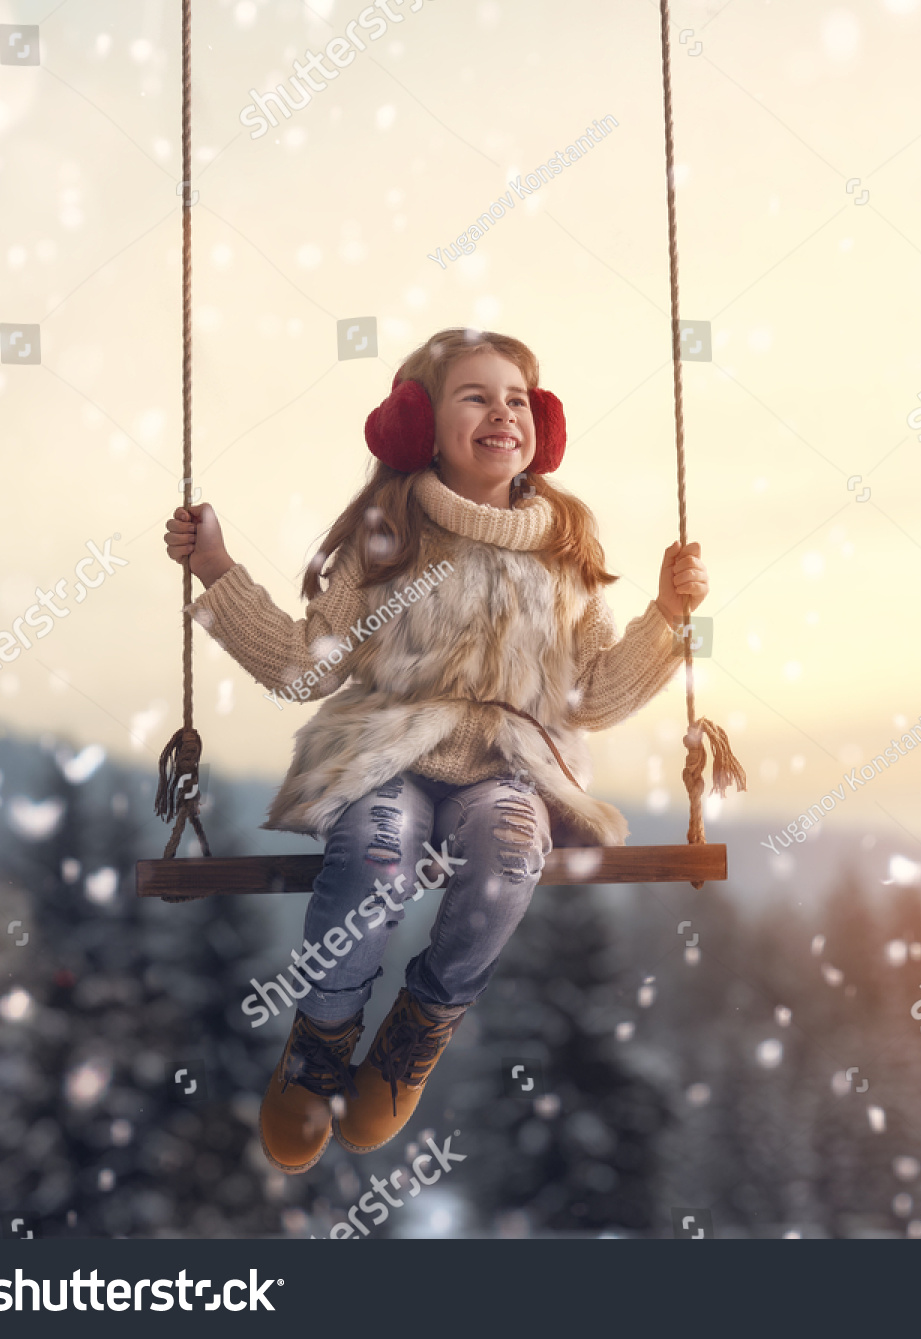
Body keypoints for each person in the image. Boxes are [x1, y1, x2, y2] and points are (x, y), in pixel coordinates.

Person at [163, 327, 707, 1174]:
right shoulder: (389, 532)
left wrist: (666, 616)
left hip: (513, 765)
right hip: (390, 754)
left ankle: (421, 1024)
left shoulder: (565, 548)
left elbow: (593, 696)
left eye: (518, 399)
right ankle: (322, 1038)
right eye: (475, 396)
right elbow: (306, 668)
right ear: (418, 423)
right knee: (375, 855)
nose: (502, 413)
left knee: (509, 853)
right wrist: (218, 570)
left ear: (542, 425)